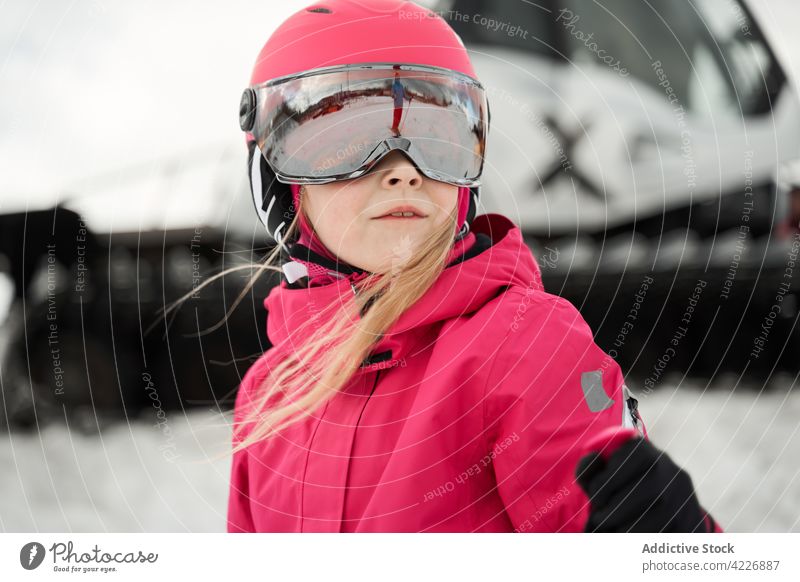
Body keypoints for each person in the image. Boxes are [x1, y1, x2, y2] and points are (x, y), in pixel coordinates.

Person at [225, 0, 724, 533]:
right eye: (346, 142)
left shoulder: (521, 345)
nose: (402, 172)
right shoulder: (271, 391)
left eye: (437, 139)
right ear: (279, 182)